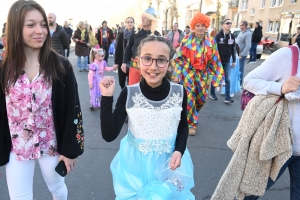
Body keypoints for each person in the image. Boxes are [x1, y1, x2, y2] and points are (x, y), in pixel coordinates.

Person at [0, 0, 84, 199]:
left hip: (51, 145)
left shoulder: (60, 66)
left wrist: (71, 149)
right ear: (15, 28)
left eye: (43, 24)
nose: (40, 30)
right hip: (17, 147)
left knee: (57, 190)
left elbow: (73, 109)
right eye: (31, 25)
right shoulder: (4, 70)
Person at [100, 35, 195, 199]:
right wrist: (107, 98)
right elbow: (109, 135)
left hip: (169, 163)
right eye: (147, 59)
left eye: (161, 60)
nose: (153, 66)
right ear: (137, 61)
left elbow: (182, 126)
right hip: (136, 166)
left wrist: (179, 150)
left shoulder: (179, 92)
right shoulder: (129, 93)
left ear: (169, 63)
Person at [240, 39, 300, 200]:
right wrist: (280, 88)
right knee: (247, 194)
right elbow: (249, 81)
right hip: (279, 143)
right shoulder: (288, 55)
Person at [174, 12, 224, 136]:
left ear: (206, 26)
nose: (200, 28)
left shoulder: (211, 42)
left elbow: (215, 60)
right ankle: (191, 124)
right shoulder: (186, 39)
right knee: (190, 98)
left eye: (202, 25)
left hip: (203, 75)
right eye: (197, 25)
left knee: (201, 99)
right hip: (188, 73)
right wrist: (177, 74)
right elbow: (179, 58)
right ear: (193, 27)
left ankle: (192, 114)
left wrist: (217, 80)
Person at [121, 7, 161, 86]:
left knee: (148, 91)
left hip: (149, 68)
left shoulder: (157, 35)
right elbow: (128, 48)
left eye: (145, 17)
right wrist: (124, 62)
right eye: (142, 17)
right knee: (132, 89)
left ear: (151, 19)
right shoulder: (135, 33)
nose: (142, 19)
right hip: (135, 67)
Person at [210, 19, 236, 103]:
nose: (229, 24)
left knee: (228, 79)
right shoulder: (218, 36)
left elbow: (233, 49)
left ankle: (227, 97)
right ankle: (212, 93)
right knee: (216, 77)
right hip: (218, 61)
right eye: (227, 23)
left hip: (227, 60)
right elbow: (213, 48)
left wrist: (234, 60)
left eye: (230, 23)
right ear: (223, 25)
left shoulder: (232, 36)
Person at [113, 17, 135, 89]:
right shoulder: (121, 35)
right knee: (121, 81)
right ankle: (124, 91)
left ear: (133, 23)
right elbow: (118, 49)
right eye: (128, 22)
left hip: (133, 61)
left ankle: (129, 94)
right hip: (122, 61)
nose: (129, 24)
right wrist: (116, 62)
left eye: (131, 22)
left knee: (131, 81)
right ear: (125, 24)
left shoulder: (136, 34)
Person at [236, 21, 251, 87]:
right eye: (240, 25)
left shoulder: (248, 34)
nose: (240, 26)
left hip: (242, 54)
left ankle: (240, 84)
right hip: (237, 53)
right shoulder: (241, 32)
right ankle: (237, 83)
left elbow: (248, 46)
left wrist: (242, 54)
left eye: (241, 25)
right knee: (236, 69)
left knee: (240, 69)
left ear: (245, 26)